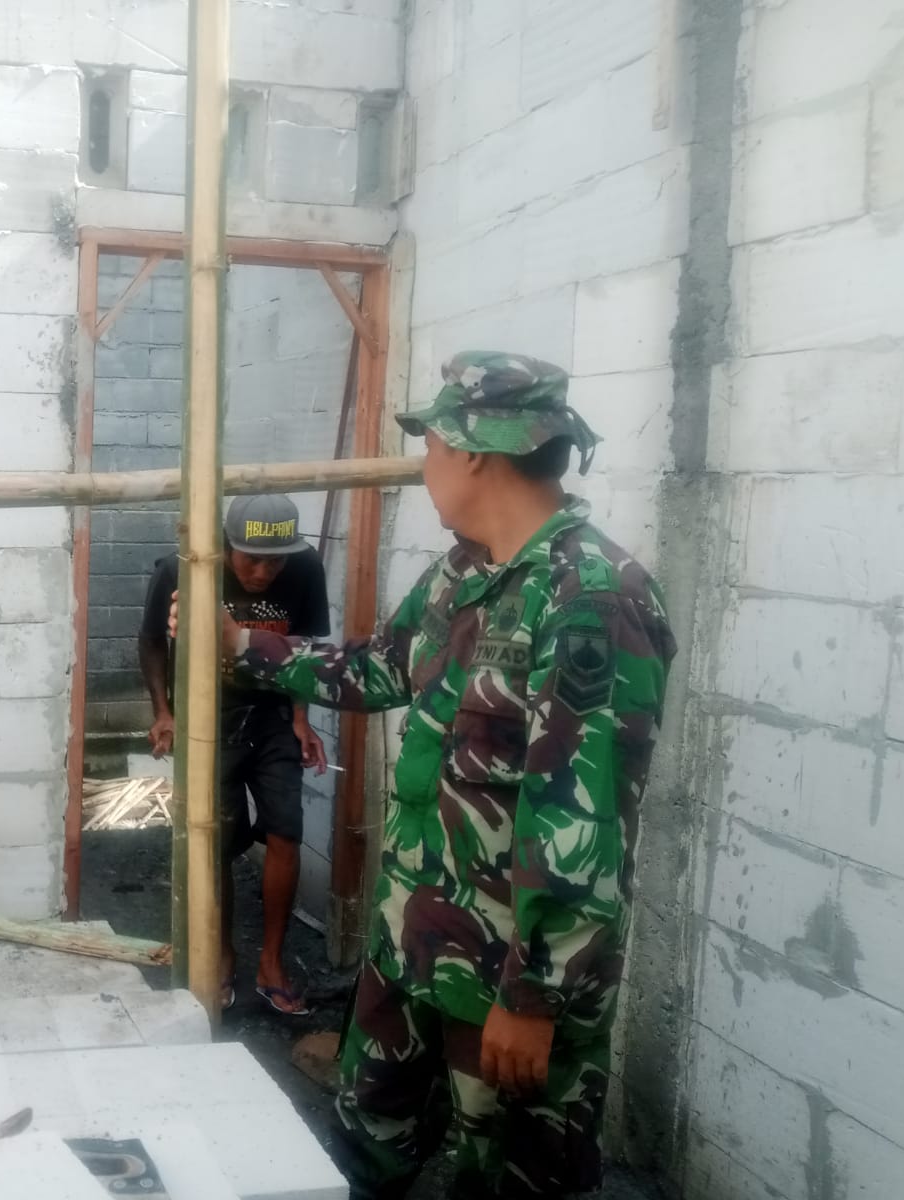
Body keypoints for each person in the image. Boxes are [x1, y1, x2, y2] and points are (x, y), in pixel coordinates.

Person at [184, 354, 677, 1197]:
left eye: (434, 446)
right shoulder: (463, 573)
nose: (426, 466)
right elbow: (379, 668)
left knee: (507, 1178)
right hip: (411, 939)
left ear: (476, 450)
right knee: (364, 1149)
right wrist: (239, 645)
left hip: (506, 978)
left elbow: (582, 822)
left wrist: (534, 998)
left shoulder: (591, 599)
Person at [139, 493, 331, 1016]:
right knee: (216, 840)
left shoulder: (306, 569)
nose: (265, 572)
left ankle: (271, 963)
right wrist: (164, 712)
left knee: (286, 832)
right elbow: (152, 640)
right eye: (253, 559)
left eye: (277, 561)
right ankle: (221, 954)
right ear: (226, 545)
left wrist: (301, 718)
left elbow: (307, 647)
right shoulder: (183, 568)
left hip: (273, 716)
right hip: (208, 717)